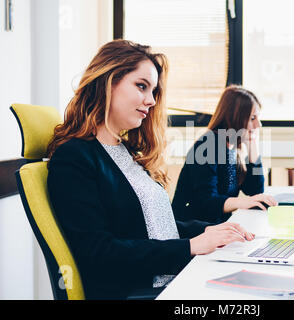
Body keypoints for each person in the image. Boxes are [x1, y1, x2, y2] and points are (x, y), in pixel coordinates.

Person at [46, 40, 254, 300]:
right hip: (141, 292)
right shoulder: (74, 158)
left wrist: (207, 230)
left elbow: (153, 224)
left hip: (169, 281)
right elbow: (99, 252)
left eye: (153, 90)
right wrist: (190, 246)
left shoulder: (124, 151)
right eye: (141, 86)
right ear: (108, 81)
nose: (151, 100)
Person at [172, 85, 277, 224]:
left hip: (216, 224)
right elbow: (206, 202)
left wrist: (252, 146)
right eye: (252, 118)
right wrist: (243, 202)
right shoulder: (208, 145)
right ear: (235, 117)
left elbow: (255, 190)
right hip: (193, 226)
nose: (259, 125)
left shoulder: (233, 146)